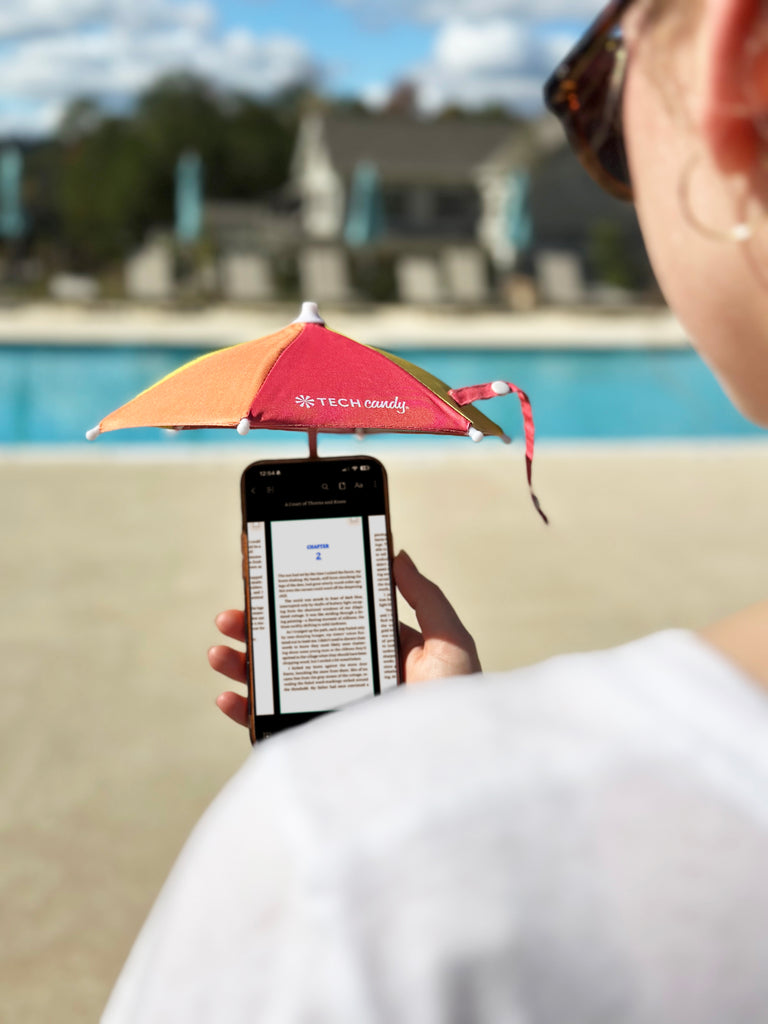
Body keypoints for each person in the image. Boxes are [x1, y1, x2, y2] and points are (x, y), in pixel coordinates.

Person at [102, 1, 768, 1020]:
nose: (609, 162)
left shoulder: (352, 867)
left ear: (739, 73)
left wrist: (403, 776)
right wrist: (430, 738)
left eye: (598, 105)